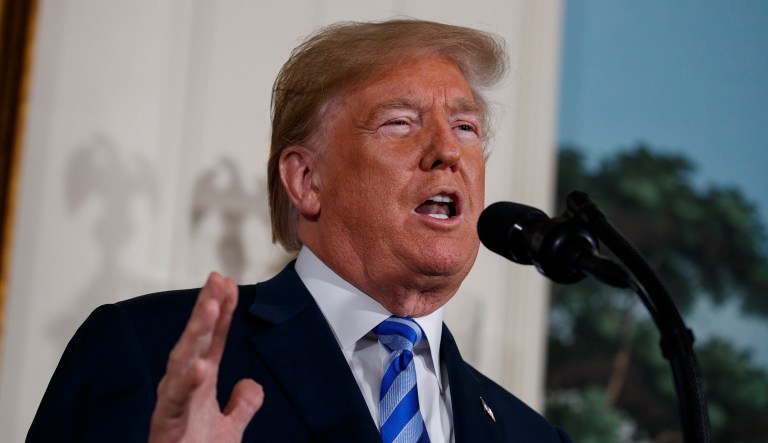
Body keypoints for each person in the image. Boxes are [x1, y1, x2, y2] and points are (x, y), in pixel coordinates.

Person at [27, 19, 571, 442]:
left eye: (466, 126)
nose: (447, 150)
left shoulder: (532, 436)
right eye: (400, 122)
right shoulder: (147, 352)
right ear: (307, 180)